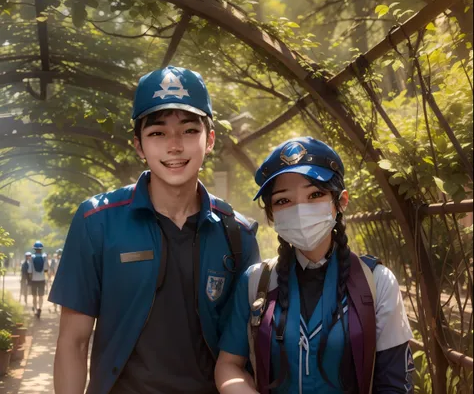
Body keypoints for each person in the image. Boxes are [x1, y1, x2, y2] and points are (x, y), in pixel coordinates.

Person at [49, 66, 260, 394]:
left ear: (210, 139)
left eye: (189, 131)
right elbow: (73, 343)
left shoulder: (238, 234)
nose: (174, 146)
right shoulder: (97, 221)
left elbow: (242, 354)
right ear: (138, 145)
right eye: (158, 133)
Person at [216, 137, 414, 394]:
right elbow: (229, 364)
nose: (300, 210)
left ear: (340, 202)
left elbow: (395, 384)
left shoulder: (376, 282)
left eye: (315, 195)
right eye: (283, 201)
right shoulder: (256, 281)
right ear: (271, 215)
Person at [28, 241, 49, 318]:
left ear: (34, 249)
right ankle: (40, 309)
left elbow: (30, 271)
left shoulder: (31, 257)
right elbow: (46, 269)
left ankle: (36, 309)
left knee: (34, 296)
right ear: (41, 249)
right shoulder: (44, 257)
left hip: (34, 280)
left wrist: (30, 279)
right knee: (41, 296)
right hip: (42, 279)